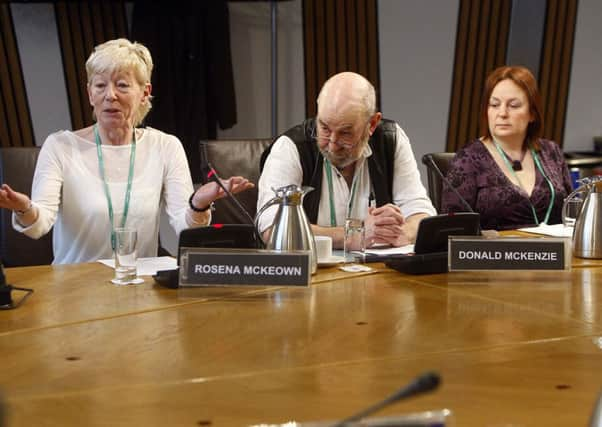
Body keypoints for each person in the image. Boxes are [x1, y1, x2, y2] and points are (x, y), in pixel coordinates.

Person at [0, 38, 252, 264]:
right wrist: (24, 208)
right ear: (90, 94)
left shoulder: (165, 146)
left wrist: (198, 203)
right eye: (100, 86)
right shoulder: (60, 147)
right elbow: (38, 225)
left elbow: (185, 227)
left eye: (122, 85)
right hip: (74, 288)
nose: (110, 95)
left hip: (138, 285)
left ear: (144, 93)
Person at [257, 72, 435, 249]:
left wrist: (403, 232)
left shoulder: (390, 139)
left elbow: (422, 213)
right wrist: (354, 235)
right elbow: (271, 229)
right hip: (313, 272)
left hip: (378, 271)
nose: (332, 145)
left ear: (372, 124)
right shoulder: (290, 147)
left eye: (345, 133)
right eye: (324, 128)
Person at [441, 66, 573, 230]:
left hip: (553, 253)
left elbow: (572, 213)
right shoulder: (468, 159)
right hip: (493, 253)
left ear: (532, 113)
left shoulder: (551, 152)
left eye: (514, 105)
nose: (502, 113)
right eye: (494, 105)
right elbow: (453, 230)